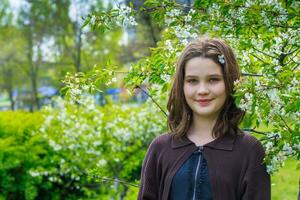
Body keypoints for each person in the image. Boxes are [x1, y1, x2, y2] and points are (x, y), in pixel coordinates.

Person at [137, 37, 270, 200]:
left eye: (213, 80)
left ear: (230, 82)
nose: (202, 90)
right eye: (192, 81)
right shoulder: (160, 149)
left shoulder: (249, 151)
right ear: (182, 86)